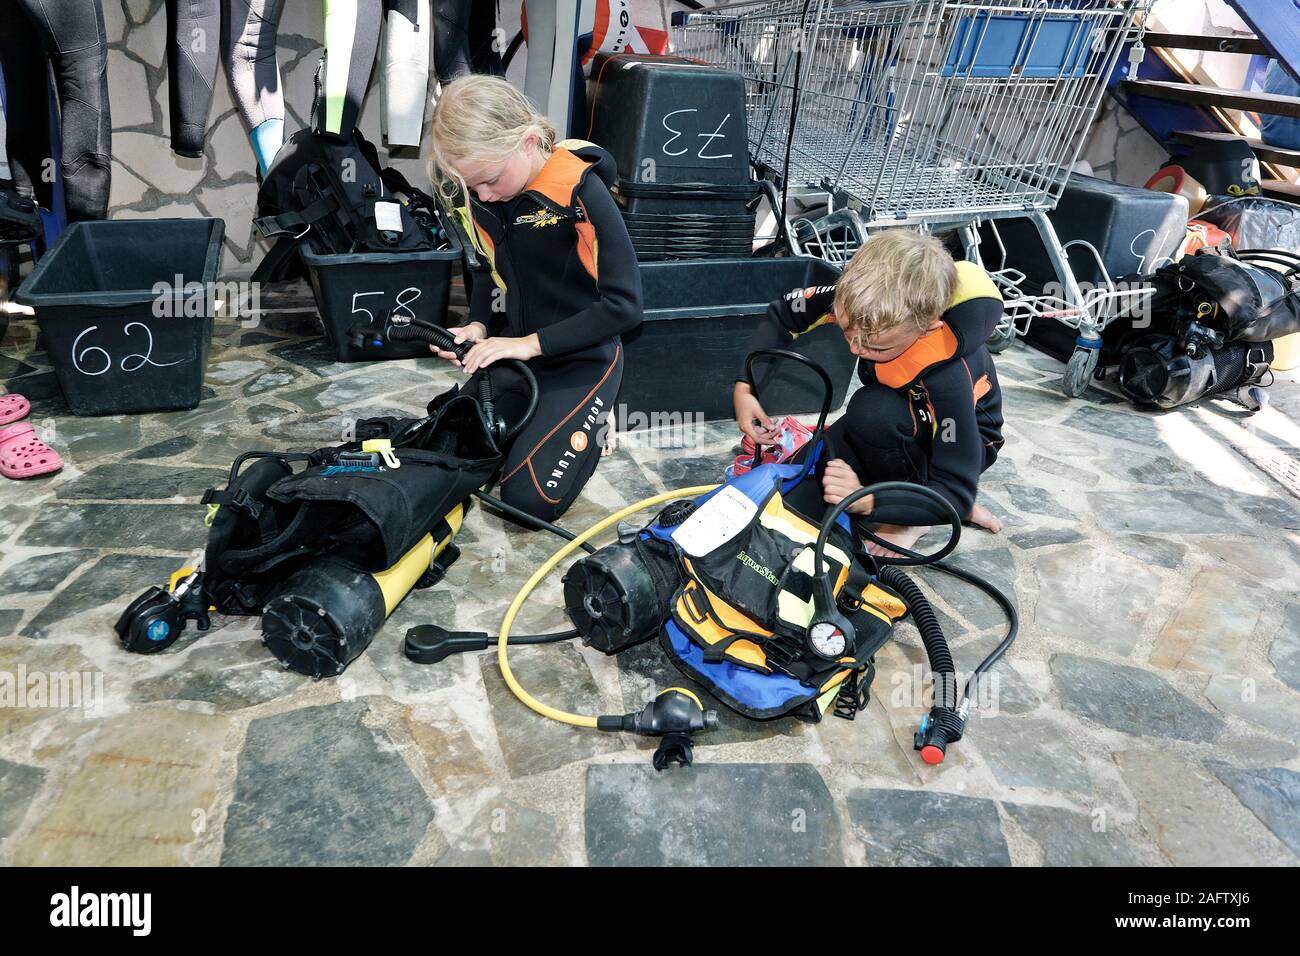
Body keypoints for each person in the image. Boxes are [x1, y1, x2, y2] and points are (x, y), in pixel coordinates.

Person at [426, 74, 641, 521]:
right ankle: (554, 419)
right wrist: (480, 324)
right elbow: (486, 270)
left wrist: (527, 344)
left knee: (525, 503)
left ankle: (595, 415)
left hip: (584, 357)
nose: (482, 195)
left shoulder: (581, 190)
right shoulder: (482, 194)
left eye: (489, 180)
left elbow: (625, 306)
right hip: (515, 354)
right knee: (443, 455)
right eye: (472, 186)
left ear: (527, 142)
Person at [734, 230, 1005, 556]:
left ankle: (912, 519)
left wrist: (870, 501)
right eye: (847, 331)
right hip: (901, 415)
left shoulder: (948, 377)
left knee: (872, 412)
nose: (854, 347)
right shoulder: (860, 299)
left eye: (875, 346)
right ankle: (910, 496)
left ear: (927, 328)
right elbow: (782, 314)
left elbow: (956, 489)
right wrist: (745, 388)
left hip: (961, 439)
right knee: (804, 475)